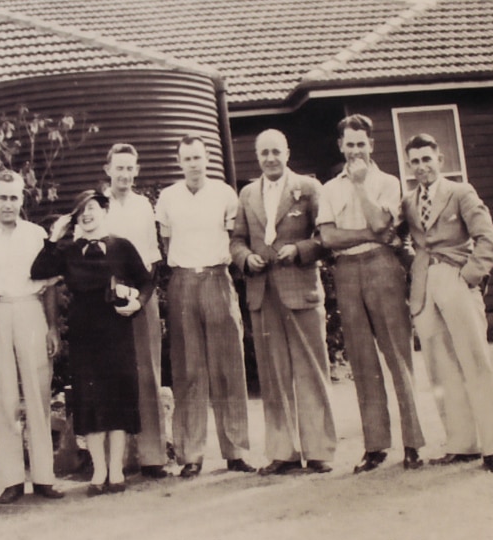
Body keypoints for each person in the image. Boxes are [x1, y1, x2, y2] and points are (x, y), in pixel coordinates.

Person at [316, 114, 425, 474]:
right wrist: (368, 234)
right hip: (346, 271)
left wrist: (362, 187)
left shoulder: (387, 182)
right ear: (340, 146)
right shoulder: (330, 188)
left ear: (371, 145)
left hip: (382, 268)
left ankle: (412, 443)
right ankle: (375, 446)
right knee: (362, 361)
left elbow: (383, 225)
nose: (355, 151)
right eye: (349, 144)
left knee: (398, 354)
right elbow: (329, 239)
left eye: (361, 144)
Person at [31, 189, 152, 495]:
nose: (87, 214)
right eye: (81, 210)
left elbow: (147, 280)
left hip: (117, 332)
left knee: (118, 399)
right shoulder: (69, 251)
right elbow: (39, 271)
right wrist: (53, 238)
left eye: (93, 208)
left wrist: (137, 302)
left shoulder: (121, 246)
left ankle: (116, 471)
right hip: (84, 335)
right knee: (91, 402)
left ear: (104, 212)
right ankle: (98, 472)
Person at [401, 133, 493, 474]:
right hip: (424, 287)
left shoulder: (461, 192)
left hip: (457, 280)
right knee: (440, 368)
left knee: (475, 362)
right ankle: (462, 444)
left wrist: (470, 277)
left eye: (426, 160)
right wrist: (414, 263)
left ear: (440, 160)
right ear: (409, 165)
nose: (421, 167)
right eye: (415, 161)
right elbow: (404, 239)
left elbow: (488, 238)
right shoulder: (407, 202)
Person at [230, 129, 336, 475]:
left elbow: (325, 236)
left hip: (300, 288)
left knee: (311, 371)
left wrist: (301, 249)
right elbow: (237, 240)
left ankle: (318, 450)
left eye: (276, 151)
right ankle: (282, 451)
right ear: (257, 156)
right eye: (264, 153)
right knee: (274, 375)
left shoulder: (308, 188)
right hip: (263, 292)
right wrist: (245, 258)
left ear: (287, 153)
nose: (270, 158)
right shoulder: (246, 194)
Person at [155, 134, 255, 478]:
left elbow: (233, 237)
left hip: (217, 278)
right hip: (183, 281)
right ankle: (191, 454)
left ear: (206, 159)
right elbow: (166, 240)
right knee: (188, 371)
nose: (193, 165)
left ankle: (236, 451)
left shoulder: (225, 194)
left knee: (229, 367)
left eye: (198, 158)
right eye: (187, 159)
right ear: (179, 162)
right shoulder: (167, 198)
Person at [0, 170, 64, 503]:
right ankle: (10, 479)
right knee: (2, 398)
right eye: (3, 198)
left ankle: (43, 476)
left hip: (30, 310)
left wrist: (52, 326)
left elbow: (52, 285)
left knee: (39, 393)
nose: (8, 204)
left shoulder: (37, 235)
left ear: (22, 200)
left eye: (14, 198)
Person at [102, 143, 169, 479]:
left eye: (130, 168)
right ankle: (121, 458)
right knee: (115, 375)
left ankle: (153, 455)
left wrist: (142, 298)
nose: (125, 174)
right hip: (109, 297)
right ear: (108, 170)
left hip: (143, 296)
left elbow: (154, 259)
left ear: (137, 171)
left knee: (148, 372)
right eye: (119, 168)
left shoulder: (145, 205)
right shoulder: (98, 206)